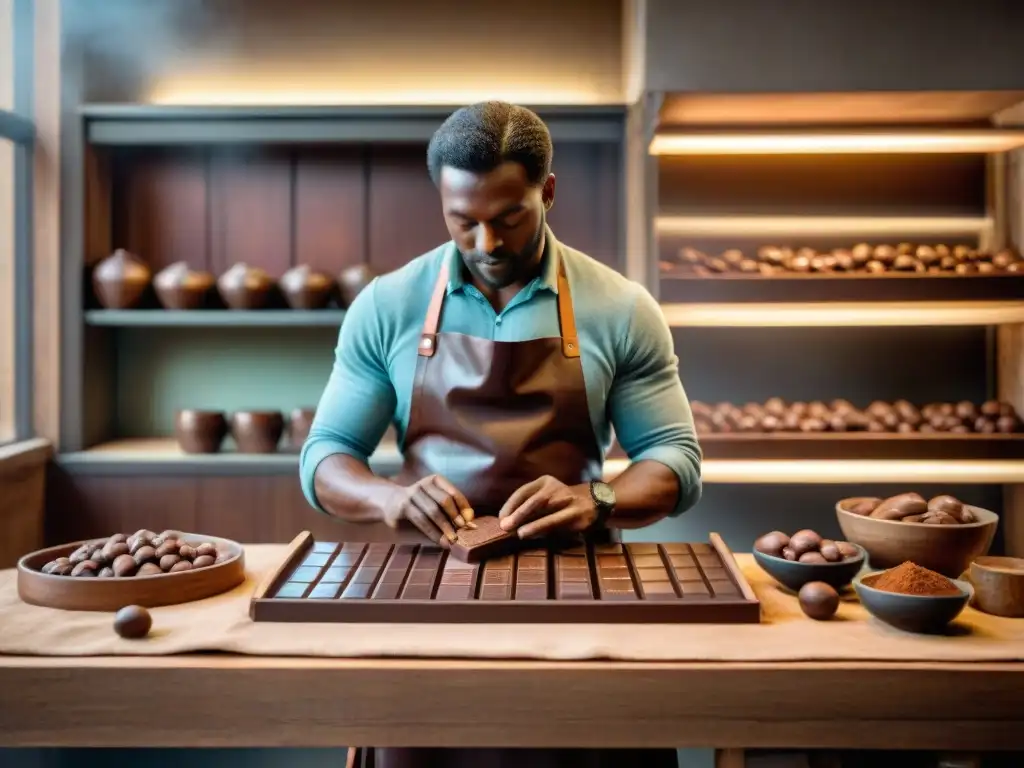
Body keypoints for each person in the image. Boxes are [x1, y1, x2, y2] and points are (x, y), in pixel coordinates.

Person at [299, 101, 702, 768]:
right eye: (464, 222)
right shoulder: (388, 305)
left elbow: (674, 461)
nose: (487, 245)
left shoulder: (621, 308)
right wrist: (389, 500)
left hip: (582, 600)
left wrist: (597, 499)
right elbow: (325, 458)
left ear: (547, 192)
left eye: (509, 218)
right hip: (430, 596)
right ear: (442, 201)